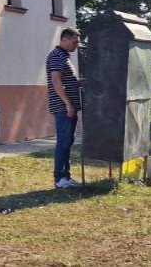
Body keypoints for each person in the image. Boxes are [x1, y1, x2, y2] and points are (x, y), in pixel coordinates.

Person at [48, 28, 83, 189]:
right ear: (65, 40)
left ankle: (65, 177)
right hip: (63, 107)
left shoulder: (64, 57)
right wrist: (68, 104)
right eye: (75, 42)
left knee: (68, 142)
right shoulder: (56, 56)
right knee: (63, 142)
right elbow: (56, 81)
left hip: (69, 107)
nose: (77, 45)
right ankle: (60, 178)